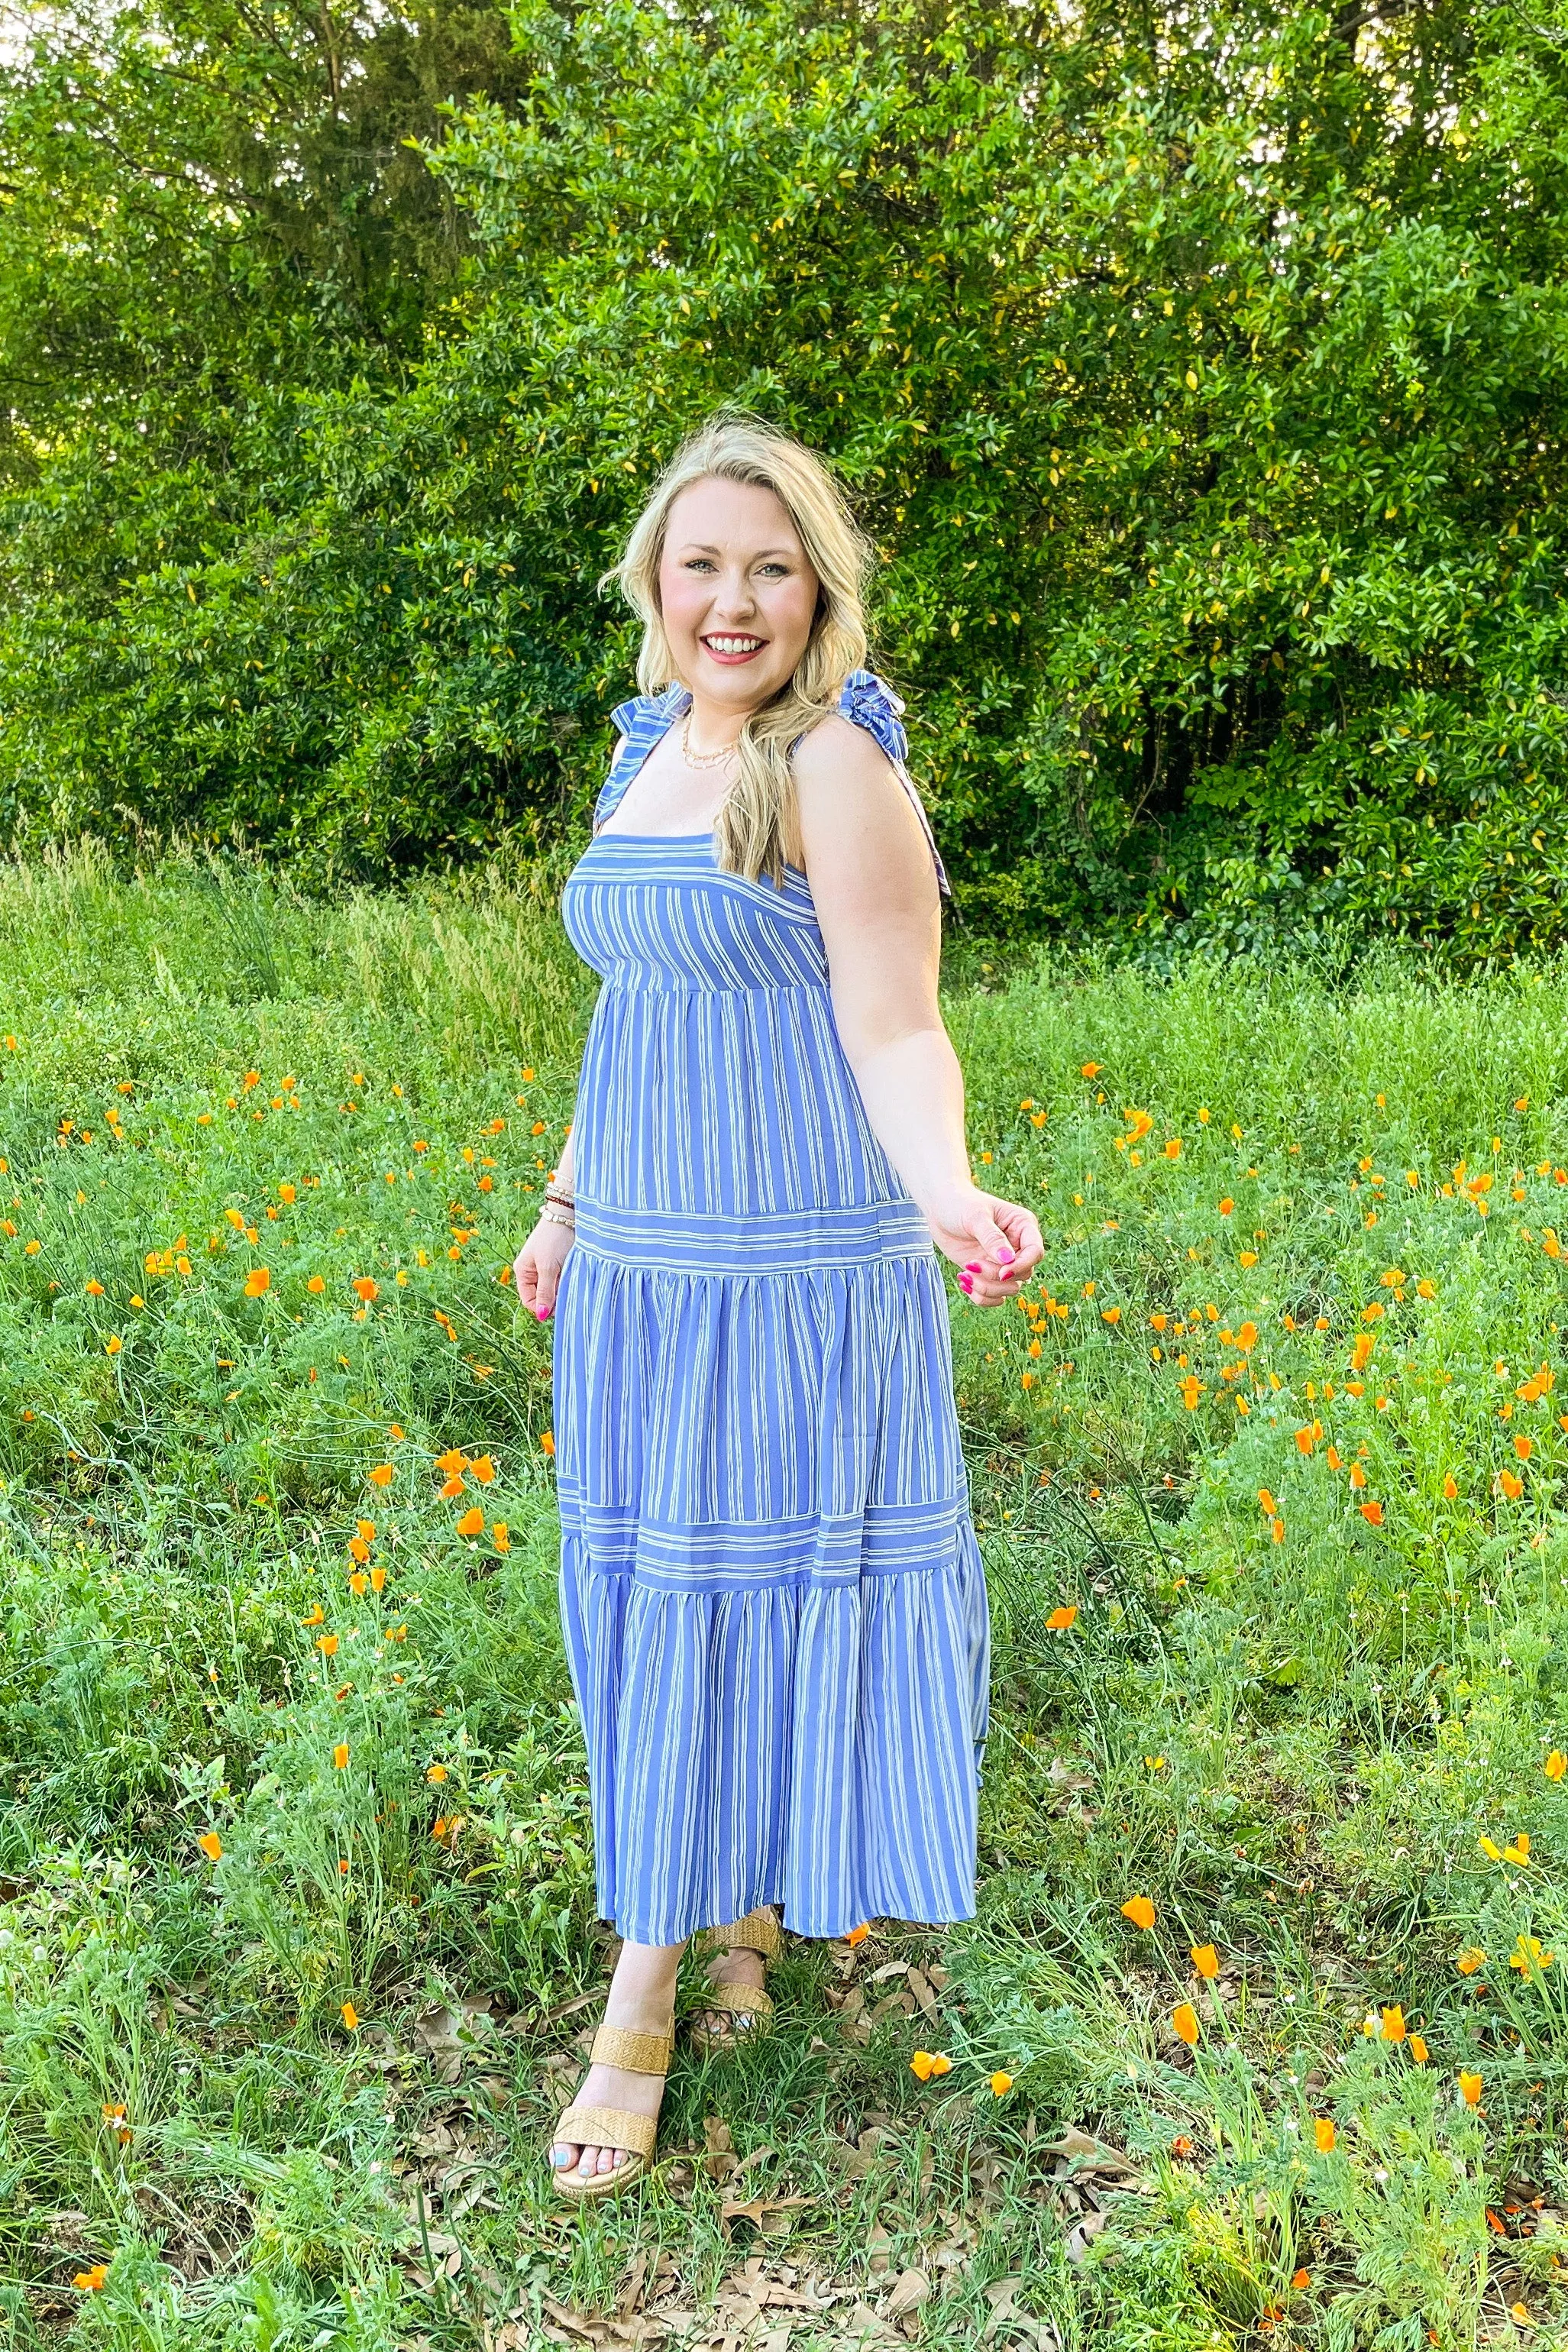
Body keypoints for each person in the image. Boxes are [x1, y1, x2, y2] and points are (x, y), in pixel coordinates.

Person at [512, 412, 1043, 2200]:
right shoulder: (646, 749)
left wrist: (948, 1187)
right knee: (666, 1591)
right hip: (649, 1273)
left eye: (770, 566)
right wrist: (568, 1195)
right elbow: (631, 1005)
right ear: (655, 586)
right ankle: (729, 1917)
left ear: (817, 586)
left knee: (735, 1594)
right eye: (700, 565)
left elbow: (897, 1020)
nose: (732, 600)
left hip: (800, 1269)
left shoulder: (835, 767)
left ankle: (639, 2000)